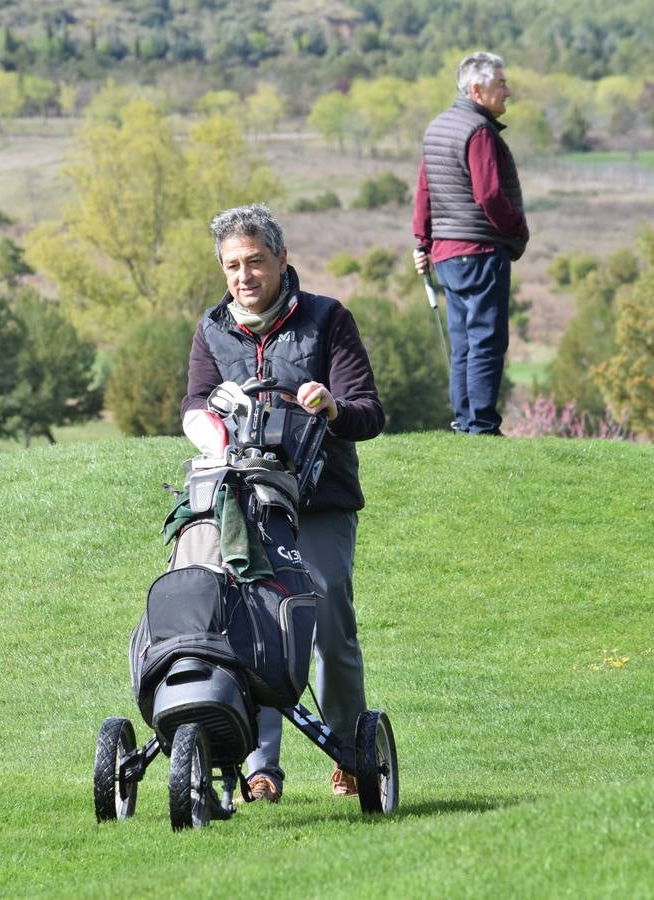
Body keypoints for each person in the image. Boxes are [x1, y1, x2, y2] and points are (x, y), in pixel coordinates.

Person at [182, 204, 385, 802]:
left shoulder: (327, 320)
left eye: (256, 262)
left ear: (282, 259)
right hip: (246, 501)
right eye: (232, 266)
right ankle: (261, 767)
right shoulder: (212, 329)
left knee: (326, 626)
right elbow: (195, 403)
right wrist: (208, 428)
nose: (244, 276)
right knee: (248, 629)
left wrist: (330, 406)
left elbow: (368, 413)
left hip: (320, 501)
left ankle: (349, 750)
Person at [412, 51, 530, 436]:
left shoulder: (438, 127)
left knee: (463, 341)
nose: (508, 91)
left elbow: (423, 192)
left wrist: (422, 242)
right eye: (501, 84)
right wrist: (517, 230)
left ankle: (465, 421)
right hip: (479, 250)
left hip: (446, 254)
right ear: (477, 90)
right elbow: (491, 196)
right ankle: (481, 425)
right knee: (486, 340)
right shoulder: (478, 132)